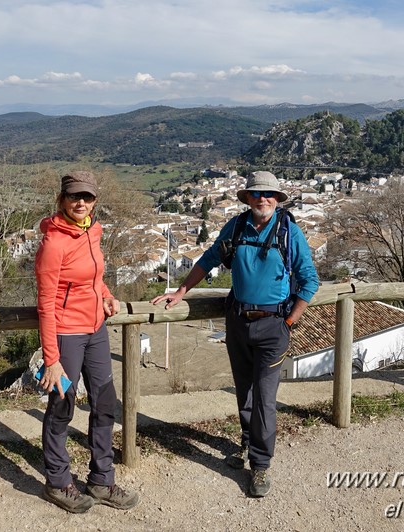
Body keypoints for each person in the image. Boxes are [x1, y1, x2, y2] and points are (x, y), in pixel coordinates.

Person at [151, 170, 319, 498]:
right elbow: (211, 257)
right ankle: (247, 440)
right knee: (244, 390)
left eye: (268, 194)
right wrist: (181, 291)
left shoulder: (289, 231)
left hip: (274, 326)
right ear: (247, 198)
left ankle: (260, 465)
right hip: (238, 320)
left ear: (277, 198)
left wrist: (289, 322)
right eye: (256, 194)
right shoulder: (238, 227)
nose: (262, 199)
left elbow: (310, 279)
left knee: (265, 398)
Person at [35, 170, 139, 513]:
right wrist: (52, 359)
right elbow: (46, 304)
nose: (81, 202)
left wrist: (106, 296)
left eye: (88, 197)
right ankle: (58, 481)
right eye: (74, 197)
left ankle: (101, 479)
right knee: (62, 406)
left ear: (95, 200)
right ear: (62, 200)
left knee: (105, 402)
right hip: (66, 333)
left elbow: (94, 277)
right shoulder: (54, 242)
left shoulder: (92, 230)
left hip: (95, 329)